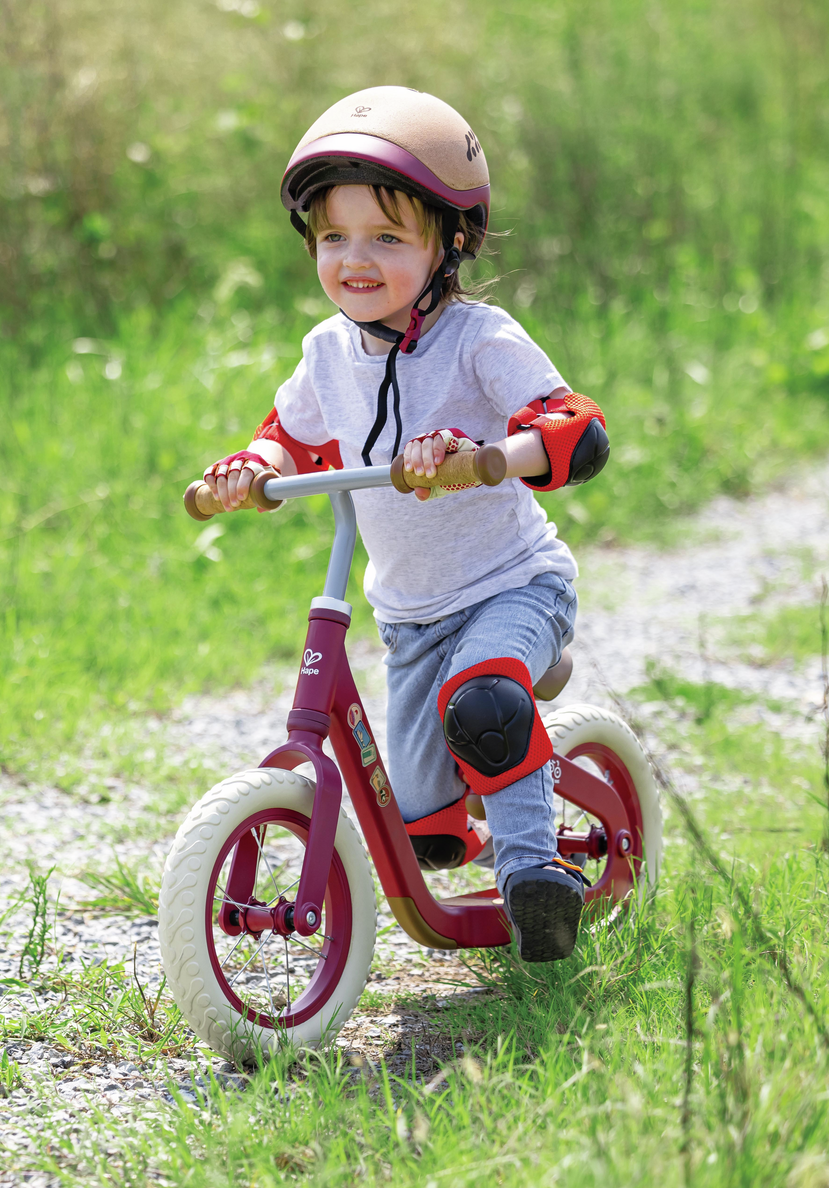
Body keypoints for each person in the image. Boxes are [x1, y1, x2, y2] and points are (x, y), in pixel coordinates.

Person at [204, 86, 611, 962]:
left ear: (449, 243)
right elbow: (290, 439)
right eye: (334, 237)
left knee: (486, 704)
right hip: (410, 617)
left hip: (510, 583)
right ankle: (491, 772)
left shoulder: (479, 339)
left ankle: (538, 879)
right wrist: (252, 470)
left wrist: (490, 453)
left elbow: (575, 426)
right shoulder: (326, 352)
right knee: (422, 825)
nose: (356, 258)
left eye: (387, 237)